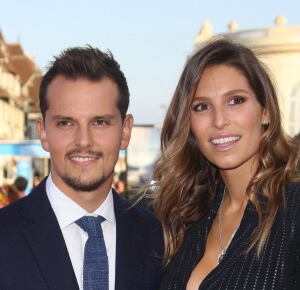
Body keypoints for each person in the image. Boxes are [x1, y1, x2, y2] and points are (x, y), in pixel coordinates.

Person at [0, 46, 163, 289]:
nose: (83, 140)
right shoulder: (4, 236)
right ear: (43, 132)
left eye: (100, 122)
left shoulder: (155, 237)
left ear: (125, 131)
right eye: (66, 123)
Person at [153, 38, 300, 289]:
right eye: (202, 106)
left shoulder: (293, 210)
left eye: (235, 101)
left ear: (265, 111)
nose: (219, 120)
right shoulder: (186, 216)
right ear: (189, 125)